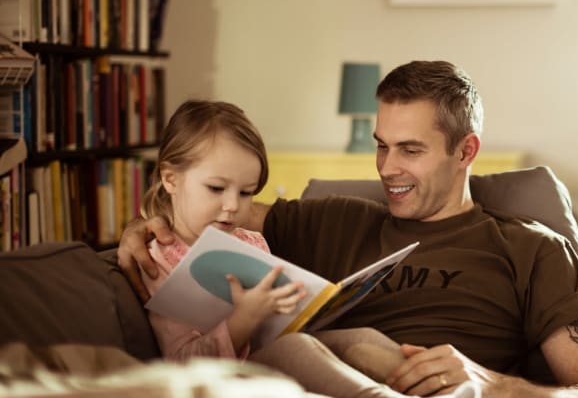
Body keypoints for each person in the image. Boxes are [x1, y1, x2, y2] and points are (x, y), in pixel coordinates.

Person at [119, 62, 578, 398]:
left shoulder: (529, 246)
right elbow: (211, 204)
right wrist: (144, 228)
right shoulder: (334, 219)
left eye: (410, 150)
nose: (387, 168)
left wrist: (493, 384)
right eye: (382, 145)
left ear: (465, 151)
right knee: (334, 344)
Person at [136, 99, 478, 398]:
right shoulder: (160, 262)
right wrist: (243, 319)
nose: (232, 206)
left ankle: (451, 391)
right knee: (297, 347)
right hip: (232, 377)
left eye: (245, 193)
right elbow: (182, 364)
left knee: (359, 337)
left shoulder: (248, 240)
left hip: (281, 355)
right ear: (170, 179)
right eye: (216, 188)